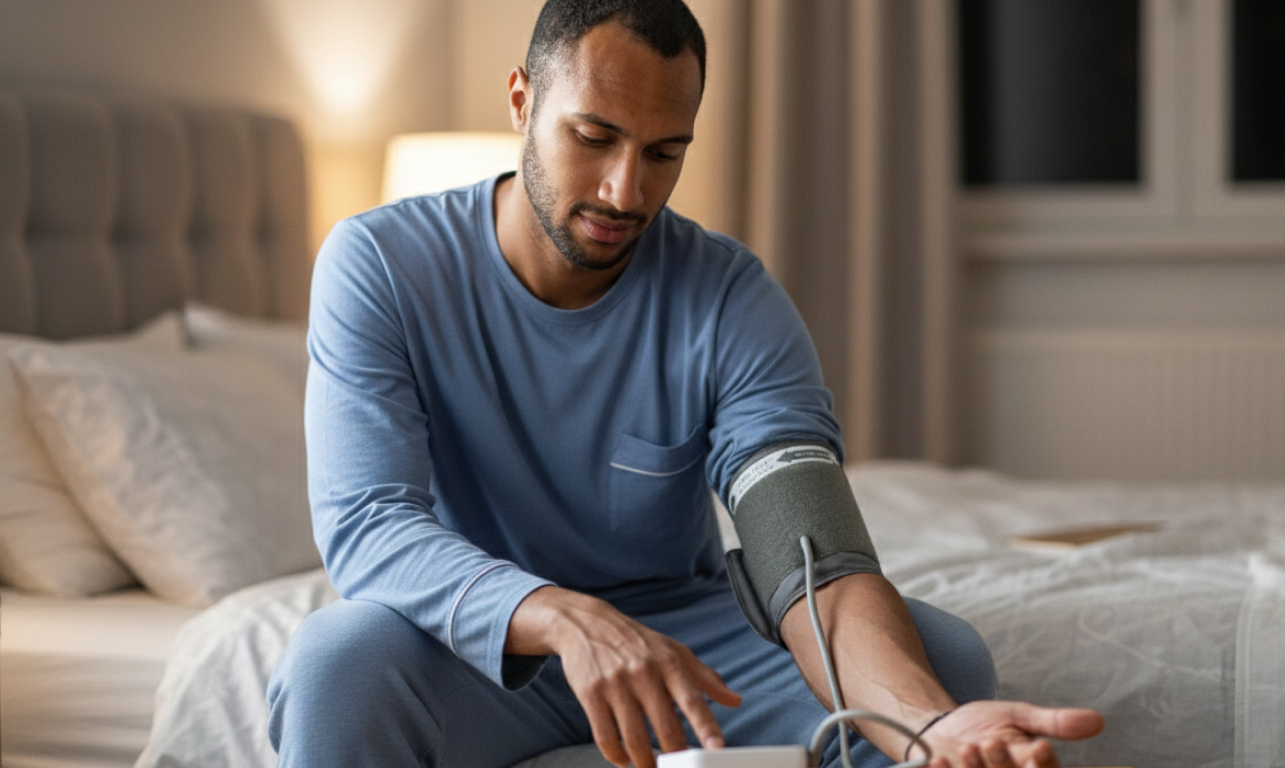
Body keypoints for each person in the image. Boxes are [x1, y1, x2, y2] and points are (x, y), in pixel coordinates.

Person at [267, 1, 1104, 767]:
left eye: (664, 152)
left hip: (683, 649)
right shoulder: (380, 263)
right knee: (336, 662)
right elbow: (369, 523)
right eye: (593, 137)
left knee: (944, 664)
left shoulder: (731, 296)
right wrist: (566, 617)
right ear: (521, 102)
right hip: (480, 649)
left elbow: (806, 550)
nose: (625, 190)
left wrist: (924, 722)